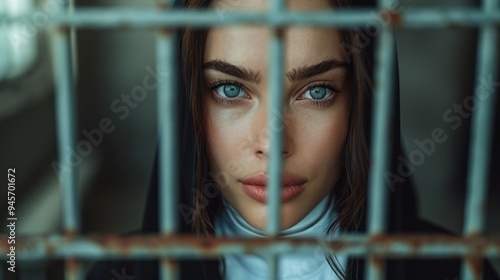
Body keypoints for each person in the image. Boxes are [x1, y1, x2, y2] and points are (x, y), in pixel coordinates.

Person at [86, 0, 499, 279]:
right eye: (230, 90)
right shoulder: (112, 272)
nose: (273, 144)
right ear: (188, 102)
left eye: (317, 92)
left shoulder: (456, 269)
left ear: (363, 106)